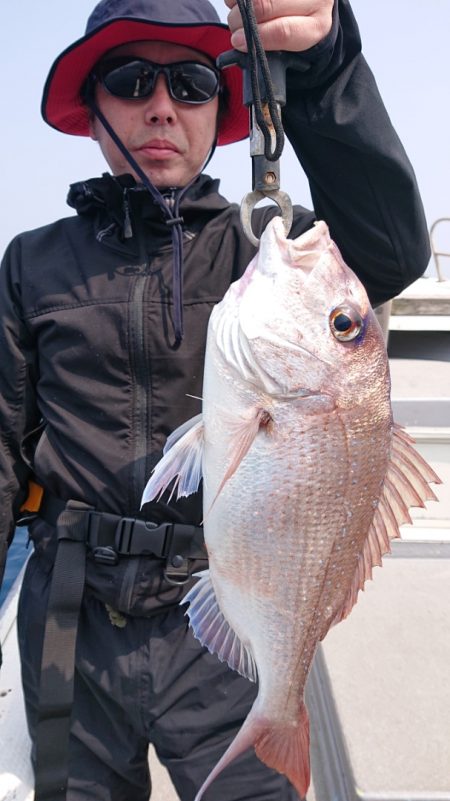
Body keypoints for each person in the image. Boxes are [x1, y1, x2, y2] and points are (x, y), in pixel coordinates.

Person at [0, 0, 430, 799]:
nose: (163, 106)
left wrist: (326, 64)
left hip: (225, 615)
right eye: (132, 80)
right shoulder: (32, 263)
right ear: (92, 110)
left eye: (193, 84)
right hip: (71, 621)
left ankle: (278, 709)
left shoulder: (262, 253)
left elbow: (393, 249)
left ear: (220, 109)